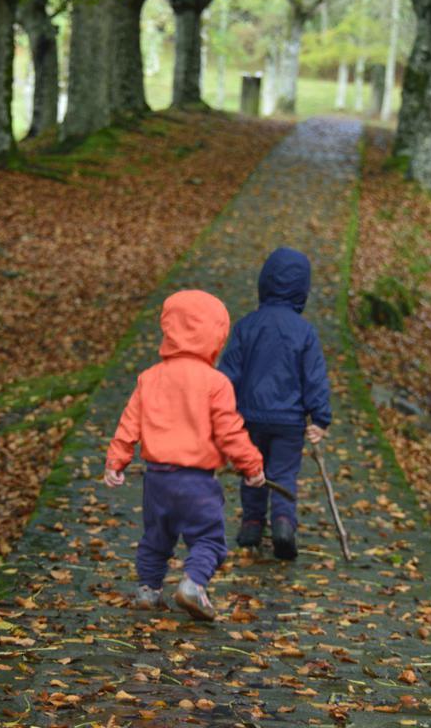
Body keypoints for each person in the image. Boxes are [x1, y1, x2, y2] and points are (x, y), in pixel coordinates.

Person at [103, 289, 265, 621]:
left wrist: (116, 460)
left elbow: (129, 422)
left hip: (157, 479)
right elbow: (229, 431)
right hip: (196, 481)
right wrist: (251, 465)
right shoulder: (215, 382)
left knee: (156, 537)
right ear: (216, 336)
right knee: (208, 538)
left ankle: (148, 591)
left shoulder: (150, 378)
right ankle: (193, 585)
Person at [219, 247, 332, 559]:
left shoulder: (247, 326)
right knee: (283, 473)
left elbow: (229, 373)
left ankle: (253, 523)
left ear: (264, 283)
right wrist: (320, 418)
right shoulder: (305, 332)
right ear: (302, 289)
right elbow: (314, 377)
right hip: (289, 421)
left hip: (249, 417)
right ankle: (283, 523)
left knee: (251, 468)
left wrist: (221, 410)